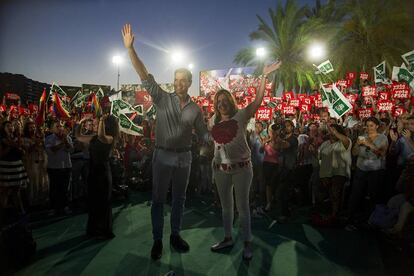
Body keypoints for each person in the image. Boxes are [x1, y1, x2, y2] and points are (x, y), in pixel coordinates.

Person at [122, 23, 209, 260]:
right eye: (176, 79)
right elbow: (144, 74)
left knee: (180, 199)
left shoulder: (196, 109)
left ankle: (175, 235)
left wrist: (217, 139)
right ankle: (158, 240)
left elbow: (203, 133)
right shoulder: (161, 98)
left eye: (183, 80)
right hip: (162, 155)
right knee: (159, 200)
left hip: (185, 157)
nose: (178, 83)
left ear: (189, 82)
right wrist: (131, 50)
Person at [209, 61, 282, 261]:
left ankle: (247, 242)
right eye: (218, 101)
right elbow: (214, 145)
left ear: (231, 102)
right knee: (225, 207)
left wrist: (264, 76)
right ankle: (227, 238)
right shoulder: (211, 121)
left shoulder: (241, 115)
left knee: (242, 207)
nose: (221, 103)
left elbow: (258, 100)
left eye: (225, 100)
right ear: (215, 104)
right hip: (220, 169)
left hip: (242, 169)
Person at [77, 115, 119, 239]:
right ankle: (94, 229)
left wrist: (100, 120)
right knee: (93, 202)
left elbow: (102, 136)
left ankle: (104, 230)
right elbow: (79, 136)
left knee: (104, 203)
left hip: (103, 173)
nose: (94, 125)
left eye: (97, 124)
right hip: (93, 171)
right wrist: (81, 122)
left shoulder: (110, 138)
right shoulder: (94, 138)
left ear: (105, 125)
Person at [347, 117, 388, 230]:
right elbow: (354, 153)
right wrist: (357, 145)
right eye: (367, 125)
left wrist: (369, 144)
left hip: (375, 171)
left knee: (372, 195)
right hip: (361, 169)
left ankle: (369, 220)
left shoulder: (382, 138)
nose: (369, 128)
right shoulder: (362, 137)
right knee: (356, 194)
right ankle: (351, 219)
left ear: (376, 126)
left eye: (371, 125)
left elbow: (382, 154)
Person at [317, 124, 352, 219]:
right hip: (325, 174)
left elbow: (345, 140)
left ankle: (335, 214)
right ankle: (329, 213)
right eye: (330, 131)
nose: (331, 133)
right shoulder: (325, 144)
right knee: (329, 195)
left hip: (339, 173)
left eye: (334, 131)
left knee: (336, 193)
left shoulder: (345, 141)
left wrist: (335, 132)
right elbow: (320, 158)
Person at [45, 120, 73, 215]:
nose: (60, 128)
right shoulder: (49, 139)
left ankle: (64, 206)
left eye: (61, 126)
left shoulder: (67, 138)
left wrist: (66, 142)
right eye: (57, 126)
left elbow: (71, 150)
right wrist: (62, 142)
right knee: (54, 188)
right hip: (54, 167)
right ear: (52, 129)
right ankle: (53, 208)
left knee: (65, 188)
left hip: (66, 166)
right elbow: (51, 151)